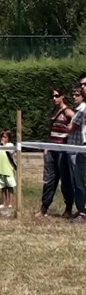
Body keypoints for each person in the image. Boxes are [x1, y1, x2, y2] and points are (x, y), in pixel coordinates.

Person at [36, 87, 74, 218]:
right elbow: (50, 130)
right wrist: (46, 147)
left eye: (56, 96)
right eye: (52, 96)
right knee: (49, 180)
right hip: (51, 149)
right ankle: (44, 208)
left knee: (65, 180)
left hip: (62, 150)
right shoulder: (53, 111)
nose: (54, 99)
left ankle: (68, 208)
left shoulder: (68, 112)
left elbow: (77, 124)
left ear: (62, 96)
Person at [66, 86, 86, 222]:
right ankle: (82, 211)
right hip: (80, 148)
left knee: (81, 183)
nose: (74, 96)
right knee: (79, 182)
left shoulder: (81, 109)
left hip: (78, 148)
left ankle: (83, 212)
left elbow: (71, 128)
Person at [0, 130, 16, 210]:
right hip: (0, 170)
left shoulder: (10, 145)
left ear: (8, 138)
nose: (2, 139)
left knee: (10, 187)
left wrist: (3, 145)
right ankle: (4, 202)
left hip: (8, 170)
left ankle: (11, 203)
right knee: (2, 187)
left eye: (5, 137)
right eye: (2, 137)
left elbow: (11, 151)